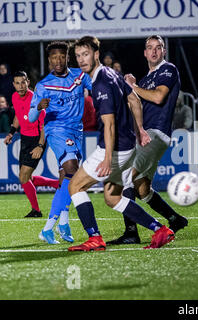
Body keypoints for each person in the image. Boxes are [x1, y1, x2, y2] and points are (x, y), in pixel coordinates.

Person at [67, 36, 176, 251]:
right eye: (78, 55)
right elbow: (134, 99)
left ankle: (94, 237)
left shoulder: (100, 82)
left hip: (115, 149)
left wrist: (107, 158)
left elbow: (108, 125)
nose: (81, 59)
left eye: (85, 54)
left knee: (75, 186)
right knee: (112, 197)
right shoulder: (112, 73)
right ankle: (160, 229)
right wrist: (141, 130)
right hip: (128, 147)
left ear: (96, 54)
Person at [108, 34, 188, 245]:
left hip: (156, 133)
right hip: (146, 136)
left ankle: (131, 232)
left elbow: (158, 96)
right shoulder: (144, 80)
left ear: (163, 51)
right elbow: (136, 107)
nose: (153, 51)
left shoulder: (168, 69)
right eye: (150, 47)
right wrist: (127, 89)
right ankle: (175, 219)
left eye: (158, 47)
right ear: (144, 53)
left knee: (123, 176)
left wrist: (133, 88)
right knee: (141, 187)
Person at [28, 41, 92, 244]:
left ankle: (63, 223)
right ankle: (48, 228)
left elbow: (97, 88)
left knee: (68, 177)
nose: (58, 61)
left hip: (77, 131)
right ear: (49, 60)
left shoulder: (80, 76)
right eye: (53, 57)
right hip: (56, 129)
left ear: (67, 57)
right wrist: (38, 106)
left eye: (61, 57)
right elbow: (30, 118)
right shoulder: (43, 85)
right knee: (72, 169)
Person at [3, 71, 60, 218]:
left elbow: (43, 126)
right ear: (13, 85)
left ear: (28, 82)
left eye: (23, 82)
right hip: (24, 139)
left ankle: (36, 211)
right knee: (27, 177)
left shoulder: (36, 99)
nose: (20, 86)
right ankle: (57, 184)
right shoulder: (15, 97)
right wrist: (11, 132)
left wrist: (40, 146)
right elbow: (17, 115)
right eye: (17, 83)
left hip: (37, 140)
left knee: (23, 177)